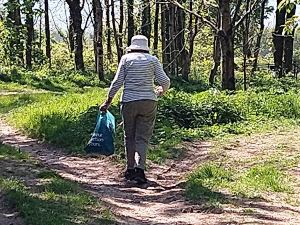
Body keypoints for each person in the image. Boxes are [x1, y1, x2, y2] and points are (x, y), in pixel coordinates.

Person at [100, 35, 170, 184]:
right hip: (149, 102)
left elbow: (117, 82)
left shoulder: (126, 59)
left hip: (129, 102)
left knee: (129, 136)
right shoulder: (153, 60)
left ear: (132, 47)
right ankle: (140, 170)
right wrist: (160, 92)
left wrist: (108, 102)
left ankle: (130, 169)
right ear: (146, 47)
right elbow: (165, 81)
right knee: (142, 138)